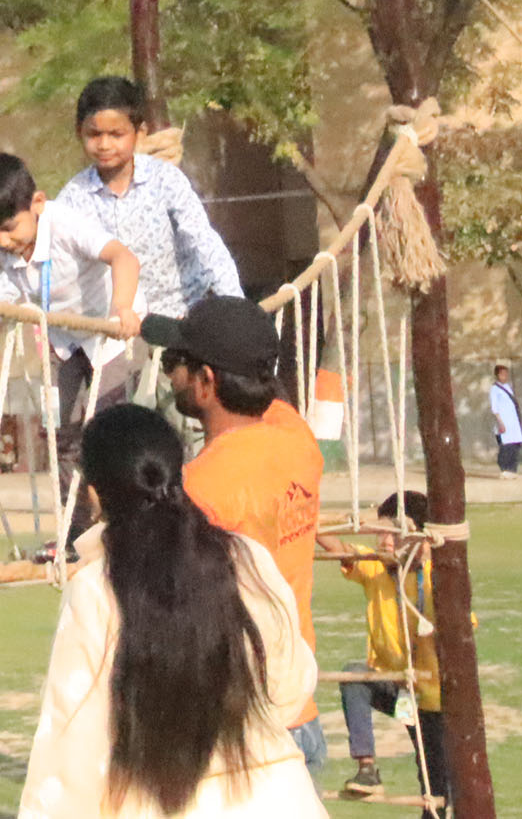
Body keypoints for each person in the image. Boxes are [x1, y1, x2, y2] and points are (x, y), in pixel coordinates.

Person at [18, 404, 323, 818]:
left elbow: (71, 752)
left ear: (93, 493)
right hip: (279, 799)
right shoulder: (246, 557)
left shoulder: (96, 589)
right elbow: (291, 686)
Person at [147, 294, 327, 780]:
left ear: (206, 381)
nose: (169, 375)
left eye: (174, 362)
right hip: (298, 714)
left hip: (243, 734)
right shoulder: (299, 440)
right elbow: (269, 392)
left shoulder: (197, 491)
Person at [0, 152, 140, 542]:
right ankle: (76, 533)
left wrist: (122, 308)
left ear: (37, 203)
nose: (2, 241)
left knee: (110, 433)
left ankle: (126, 531)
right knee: (61, 436)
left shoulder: (65, 224)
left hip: (110, 336)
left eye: (8, 228)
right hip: (63, 343)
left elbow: (123, 257)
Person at [56, 77, 243, 319]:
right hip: (120, 326)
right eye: (94, 134)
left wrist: (238, 309)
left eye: (116, 134)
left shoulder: (165, 179)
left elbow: (203, 241)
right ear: (79, 132)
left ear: (140, 133)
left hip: (184, 315)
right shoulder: (72, 200)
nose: (104, 144)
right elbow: (50, 263)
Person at [338, 490, 450, 818]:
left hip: (434, 701)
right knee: (353, 676)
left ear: (419, 537)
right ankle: (367, 769)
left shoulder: (439, 578)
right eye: (380, 532)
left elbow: (462, 630)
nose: (384, 542)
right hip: (399, 691)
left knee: (437, 789)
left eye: (393, 533)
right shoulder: (376, 568)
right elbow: (336, 548)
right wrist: (325, 522)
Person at [489, 363, 522, 478]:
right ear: (497, 375)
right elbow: (495, 409)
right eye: (502, 374)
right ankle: (504, 470)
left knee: (515, 446)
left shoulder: (508, 387)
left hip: (513, 424)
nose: (505, 376)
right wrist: (500, 423)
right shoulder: (495, 389)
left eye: (506, 374)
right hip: (503, 424)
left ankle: (512, 471)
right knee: (506, 447)